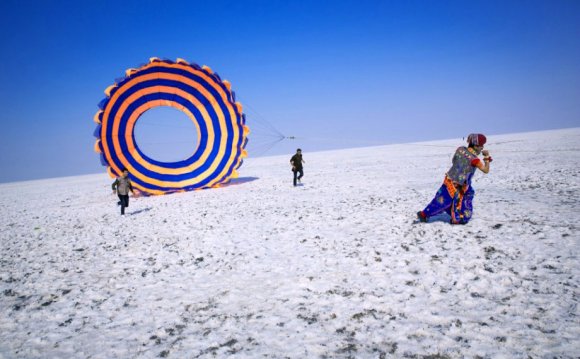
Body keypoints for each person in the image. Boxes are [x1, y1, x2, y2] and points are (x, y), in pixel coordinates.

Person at [417, 133, 492, 224]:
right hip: (459, 185)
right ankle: (458, 217)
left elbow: (454, 161)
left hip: (449, 179)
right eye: (481, 146)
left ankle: (425, 214)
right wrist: (487, 157)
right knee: (445, 201)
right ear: (476, 145)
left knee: (441, 198)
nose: (482, 148)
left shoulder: (460, 149)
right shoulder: (475, 160)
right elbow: (486, 170)